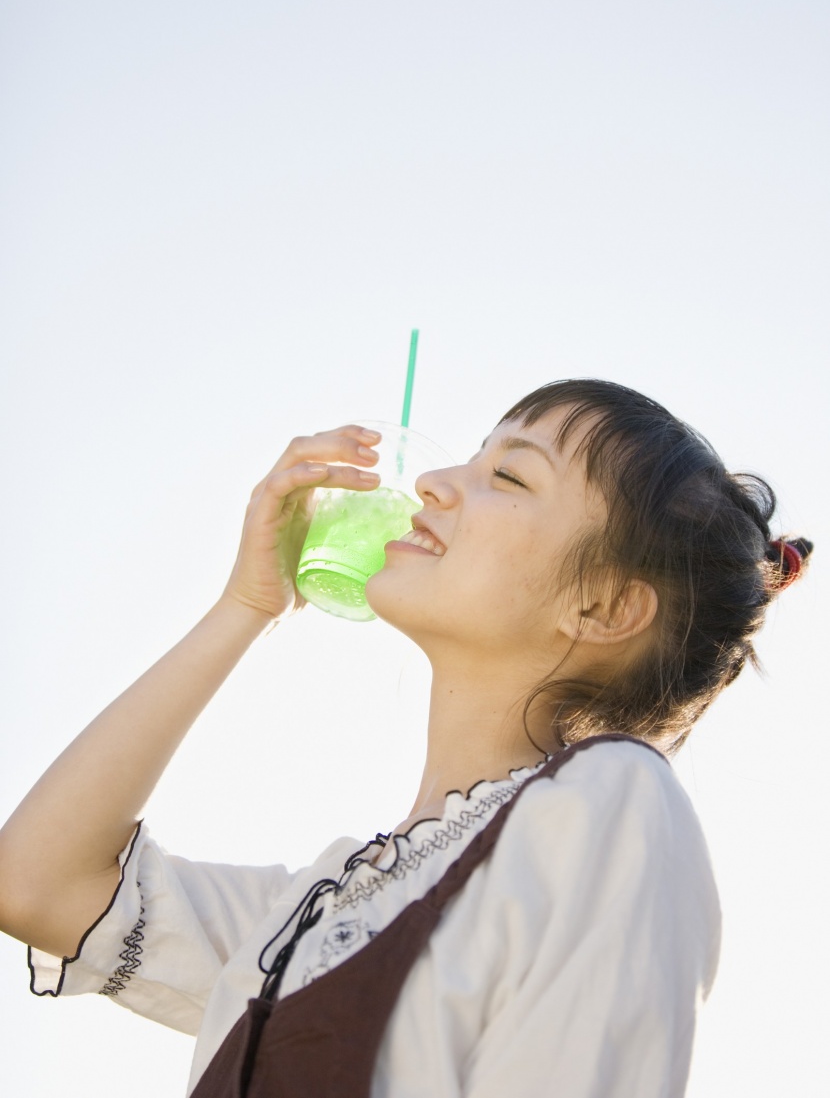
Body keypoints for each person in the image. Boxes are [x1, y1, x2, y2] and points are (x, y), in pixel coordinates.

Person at [0, 378, 812, 1097]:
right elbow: (36, 882)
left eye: (508, 474)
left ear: (600, 607)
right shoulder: (327, 899)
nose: (429, 482)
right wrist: (245, 607)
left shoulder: (609, 801)